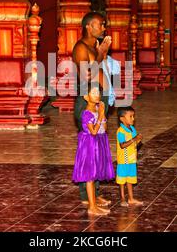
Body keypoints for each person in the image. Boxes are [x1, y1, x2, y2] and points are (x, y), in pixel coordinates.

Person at [72, 11, 113, 207]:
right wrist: (101, 53)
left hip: (99, 98)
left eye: (104, 24)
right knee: (89, 148)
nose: (103, 28)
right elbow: (87, 75)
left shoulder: (94, 46)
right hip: (87, 101)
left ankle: (94, 193)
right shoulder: (80, 48)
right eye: (100, 24)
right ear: (88, 26)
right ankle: (85, 197)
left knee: (98, 148)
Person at [71, 85, 115, 215]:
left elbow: (104, 128)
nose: (97, 95)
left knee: (95, 173)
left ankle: (94, 203)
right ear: (86, 97)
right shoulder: (86, 113)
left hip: (98, 144)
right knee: (90, 176)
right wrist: (101, 115)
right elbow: (94, 131)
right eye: (93, 92)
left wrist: (102, 114)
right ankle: (91, 207)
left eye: (98, 92)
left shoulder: (97, 109)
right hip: (89, 144)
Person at [116, 106, 143, 207]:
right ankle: (122, 198)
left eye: (133, 116)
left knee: (130, 179)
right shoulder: (120, 131)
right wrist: (134, 139)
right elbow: (122, 145)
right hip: (124, 160)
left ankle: (131, 198)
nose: (133, 118)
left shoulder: (132, 129)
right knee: (122, 180)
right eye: (130, 116)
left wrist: (139, 139)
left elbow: (135, 143)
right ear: (122, 119)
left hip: (132, 160)